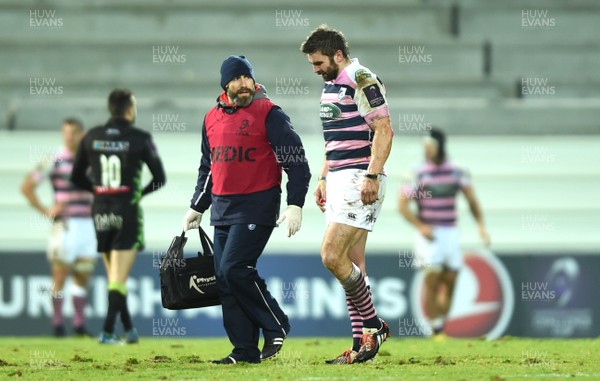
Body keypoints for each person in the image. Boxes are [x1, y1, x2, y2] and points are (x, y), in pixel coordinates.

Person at [182, 55, 311, 364]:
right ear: (225, 85)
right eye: (237, 79)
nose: (243, 84)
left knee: (235, 269)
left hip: (257, 205)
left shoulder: (270, 113)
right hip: (223, 209)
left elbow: (297, 162)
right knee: (224, 279)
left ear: (254, 81)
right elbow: (208, 167)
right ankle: (244, 350)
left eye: (247, 78)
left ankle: (277, 324)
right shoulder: (211, 118)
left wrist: (295, 204)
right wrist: (198, 206)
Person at [300, 25, 393, 364]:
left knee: (331, 256)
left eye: (319, 62)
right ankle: (359, 346)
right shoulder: (329, 85)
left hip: (359, 178)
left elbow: (384, 129)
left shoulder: (362, 78)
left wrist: (371, 175)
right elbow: (333, 141)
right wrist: (323, 178)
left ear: (337, 55)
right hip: (338, 178)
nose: (315, 69)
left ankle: (374, 325)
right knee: (351, 266)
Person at [71, 88, 166, 344]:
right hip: (126, 210)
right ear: (129, 109)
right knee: (118, 278)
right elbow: (160, 179)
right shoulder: (140, 138)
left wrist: (99, 191)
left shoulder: (91, 136)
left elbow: (76, 176)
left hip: (100, 210)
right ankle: (107, 332)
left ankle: (129, 329)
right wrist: (139, 194)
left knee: (114, 275)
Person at [398, 128, 490, 337]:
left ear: (439, 147)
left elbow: (471, 200)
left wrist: (481, 226)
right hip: (429, 233)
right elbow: (402, 205)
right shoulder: (417, 172)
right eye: (425, 147)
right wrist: (420, 226)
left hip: (450, 232)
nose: (426, 151)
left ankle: (439, 321)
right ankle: (436, 328)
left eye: (430, 147)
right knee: (432, 277)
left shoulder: (457, 170)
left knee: (450, 278)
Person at [21, 118, 97, 337]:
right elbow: (27, 186)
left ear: (82, 134)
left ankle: (79, 325)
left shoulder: (91, 160)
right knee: (60, 276)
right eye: (66, 132)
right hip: (65, 225)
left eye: (74, 132)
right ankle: (57, 325)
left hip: (88, 225)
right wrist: (46, 211)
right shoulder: (53, 160)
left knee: (83, 274)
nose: (69, 136)